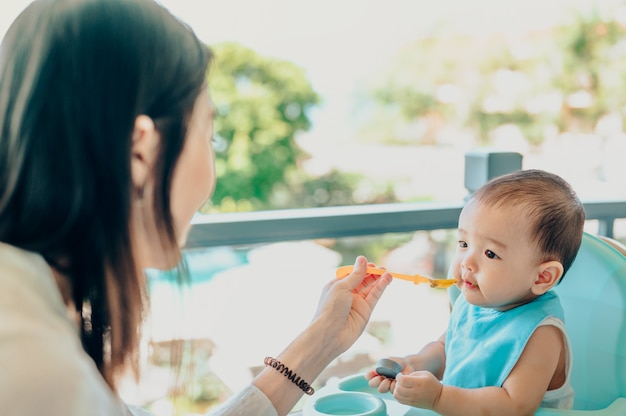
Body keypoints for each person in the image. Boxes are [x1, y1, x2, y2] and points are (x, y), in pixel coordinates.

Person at [0, 1, 393, 415]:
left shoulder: (30, 312)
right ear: (140, 152)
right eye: (209, 135)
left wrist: (321, 340)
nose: (211, 175)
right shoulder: (35, 367)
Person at [366, 169, 586, 415]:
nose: (466, 262)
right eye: (464, 244)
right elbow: (446, 349)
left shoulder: (541, 333)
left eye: (490, 253)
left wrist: (438, 397)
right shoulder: (475, 300)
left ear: (542, 277)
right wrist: (413, 364)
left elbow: (514, 406)